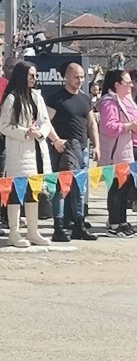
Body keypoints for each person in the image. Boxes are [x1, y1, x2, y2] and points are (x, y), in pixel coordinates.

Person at [0, 60, 65, 248]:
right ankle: (14, 232)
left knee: (33, 191)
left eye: (35, 75)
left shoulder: (37, 96)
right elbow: (4, 126)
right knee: (15, 191)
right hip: (19, 152)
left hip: (37, 150)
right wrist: (24, 132)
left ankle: (33, 231)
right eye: (31, 75)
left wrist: (41, 133)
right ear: (22, 76)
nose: (34, 79)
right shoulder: (12, 98)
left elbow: (45, 121)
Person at [46, 62, 100, 242]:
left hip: (82, 150)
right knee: (61, 189)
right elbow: (46, 123)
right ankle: (58, 227)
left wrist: (96, 146)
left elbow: (91, 124)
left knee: (80, 189)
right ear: (66, 77)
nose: (80, 80)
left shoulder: (85, 99)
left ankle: (79, 225)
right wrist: (56, 141)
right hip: (64, 150)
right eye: (76, 77)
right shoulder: (56, 99)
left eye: (82, 77)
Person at [97, 69, 137, 238]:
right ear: (117, 85)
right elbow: (108, 127)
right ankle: (114, 223)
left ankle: (123, 221)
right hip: (116, 150)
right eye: (127, 83)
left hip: (131, 148)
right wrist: (129, 126)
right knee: (116, 187)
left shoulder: (127, 100)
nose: (131, 86)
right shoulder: (109, 103)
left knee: (125, 188)